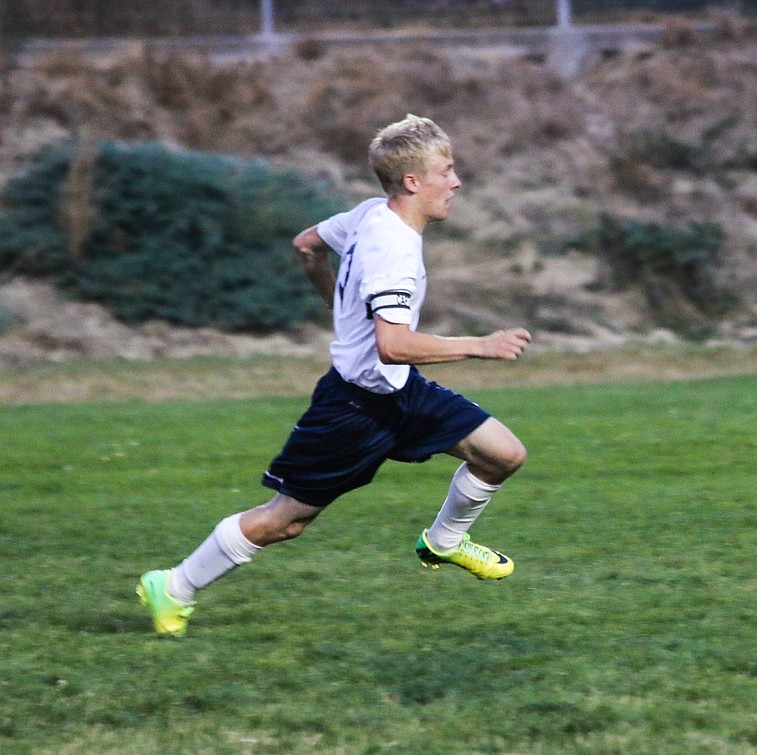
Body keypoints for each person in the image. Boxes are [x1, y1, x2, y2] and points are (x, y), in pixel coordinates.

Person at [137, 114, 532, 637]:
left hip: (399, 393)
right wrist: (479, 346)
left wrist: (338, 304)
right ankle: (175, 586)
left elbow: (306, 245)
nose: (456, 182)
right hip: (353, 409)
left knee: (503, 454)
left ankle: (443, 542)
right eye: (447, 170)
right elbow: (392, 346)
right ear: (413, 182)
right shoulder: (393, 250)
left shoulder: (370, 214)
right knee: (286, 522)